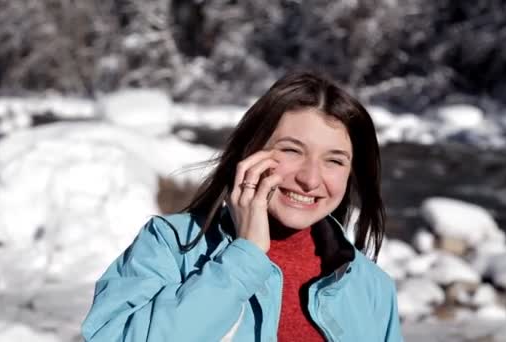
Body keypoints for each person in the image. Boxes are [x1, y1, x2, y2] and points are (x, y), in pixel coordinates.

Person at [81, 71, 403, 341]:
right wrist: (243, 258)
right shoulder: (170, 246)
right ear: (251, 151)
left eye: (334, 160)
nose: (310, 178)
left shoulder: (371, 287)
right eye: (291, 151)